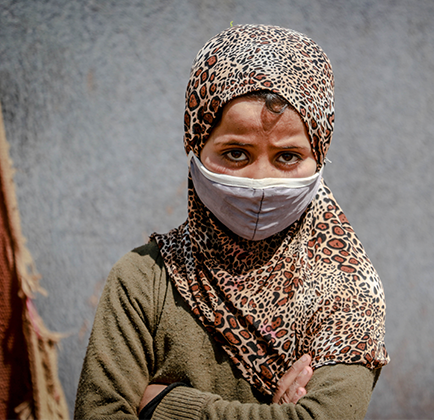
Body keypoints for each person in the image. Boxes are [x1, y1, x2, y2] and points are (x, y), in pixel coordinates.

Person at [75, 24, 389, 420]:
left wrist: (167, 405)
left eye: (288, 157)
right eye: (236, 153)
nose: (260, 181)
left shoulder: (344, 289)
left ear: (319, 158)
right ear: (196, 146)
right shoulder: (143, 280)